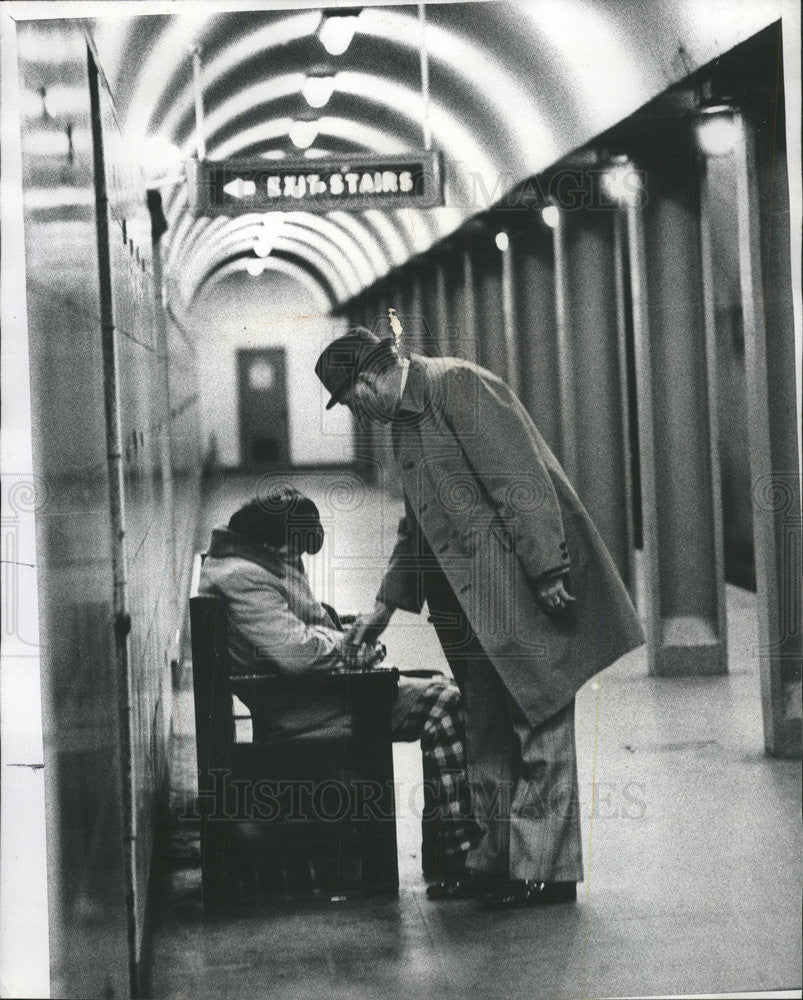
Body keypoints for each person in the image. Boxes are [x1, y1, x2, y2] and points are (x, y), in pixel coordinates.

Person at [314, 327, 644, 908]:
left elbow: (522, 480)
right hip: (463, 606)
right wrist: (383, 611)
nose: (356, 412)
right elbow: (415, 529)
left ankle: (546, 869)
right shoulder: (405, 426)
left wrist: (547, 570)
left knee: (537, 719)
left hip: (512, 589)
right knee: (484, 729)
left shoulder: (458, 387)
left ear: (367, 379)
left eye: (350, 400)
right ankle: (496, 860)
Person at [197, 487, 479, 879]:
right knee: (447, 705)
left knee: (444, 691)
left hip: (315, 694)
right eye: (293, 550)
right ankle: (458, 852)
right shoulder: (245, 578)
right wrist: (352, 648)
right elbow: (297, 653)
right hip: (307, 710)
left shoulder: (252, 557)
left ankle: (450, 845)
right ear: (272, 540)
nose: (297, 560)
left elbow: (306, 628)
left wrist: (344, 637)